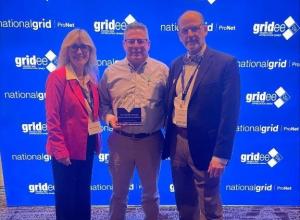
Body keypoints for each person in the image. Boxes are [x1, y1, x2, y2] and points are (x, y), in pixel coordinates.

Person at [162, 10, 240, 220]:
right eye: (184, 31)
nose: (190, 35)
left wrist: (221, 155)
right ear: (179, 35)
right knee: (185, 203)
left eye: (195, 28)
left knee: (210, 206)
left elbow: (229, 114)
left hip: (207, 147)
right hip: (177, 142)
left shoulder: (226, 63)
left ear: (205, 30)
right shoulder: (176, 64)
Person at [99, 22, 168, 220]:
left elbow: (170, 106)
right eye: (131, 41)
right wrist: (109, 117)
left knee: (150, 194)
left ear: (149, 44)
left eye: (141, 41)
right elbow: (103, 104)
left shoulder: (162, 71)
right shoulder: (111, 72)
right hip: (121, 141)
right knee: (119, 194)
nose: (136, 45)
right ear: (124, 44)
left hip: (151, 141)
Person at [45, 28, 101, 220]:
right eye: (74, 47)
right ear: (67, 51)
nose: (79, 52)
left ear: (90, 51)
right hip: (66, 149)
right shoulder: (57, 77)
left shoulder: (91, 80)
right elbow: (52, 118)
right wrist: (59, 150)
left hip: (87, 145)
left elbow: (92, 113)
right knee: (67, 199)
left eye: (84, 47)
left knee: (83, 195)